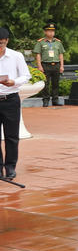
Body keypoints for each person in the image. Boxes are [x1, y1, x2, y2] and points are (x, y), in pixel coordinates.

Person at [0, 26, 30, 181]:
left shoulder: (16, 56)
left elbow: (26, 75)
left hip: (10, 99)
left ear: (7, 41)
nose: (0, 47)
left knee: (11, 136)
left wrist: (14, 82)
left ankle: (10, 167)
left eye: (2, 44)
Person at [34, 24, 65, 107]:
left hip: (56, 64)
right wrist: (39, 66)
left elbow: (61, 54)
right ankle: (45, 100)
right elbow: (38, 54)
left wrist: (62, 66)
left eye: (53, 31)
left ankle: (55, 100)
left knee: (56, 83)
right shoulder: (40, 42)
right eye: (49, 31)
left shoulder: (58, 42)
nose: (51, 33)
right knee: (45, 84)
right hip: (45, 65)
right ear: (45, 32)